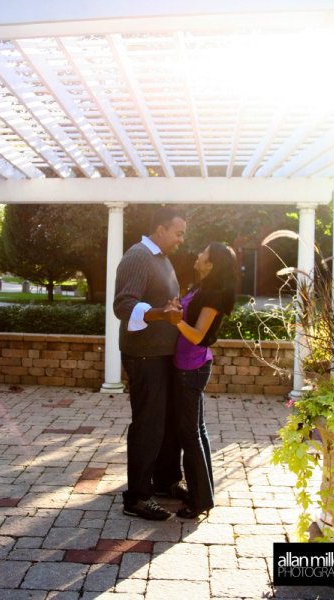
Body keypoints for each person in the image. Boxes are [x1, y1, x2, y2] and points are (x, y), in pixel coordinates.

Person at [113, 206, 188, 521]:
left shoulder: (161, 258)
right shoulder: (138, 256)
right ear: (160, 229)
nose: (181, 240)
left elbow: (159, 303)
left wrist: (169, 308)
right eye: (178, 232)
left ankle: (165, 481)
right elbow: (123, 304)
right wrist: (160, 313)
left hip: (163, 353)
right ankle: (137, 497)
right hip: (144, 354)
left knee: (169, 421)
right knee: (148, 423)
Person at [172, 242, 237, 519]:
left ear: (210, 264)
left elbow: (197, 335)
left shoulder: (213, 296)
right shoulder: (199, 288)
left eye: (203, 253)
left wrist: (174, 320)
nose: (197, 255)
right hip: (186, 365)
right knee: (196, 432)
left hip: (192, 367)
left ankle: (199, 501)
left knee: (191, 434)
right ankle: (203, 494)